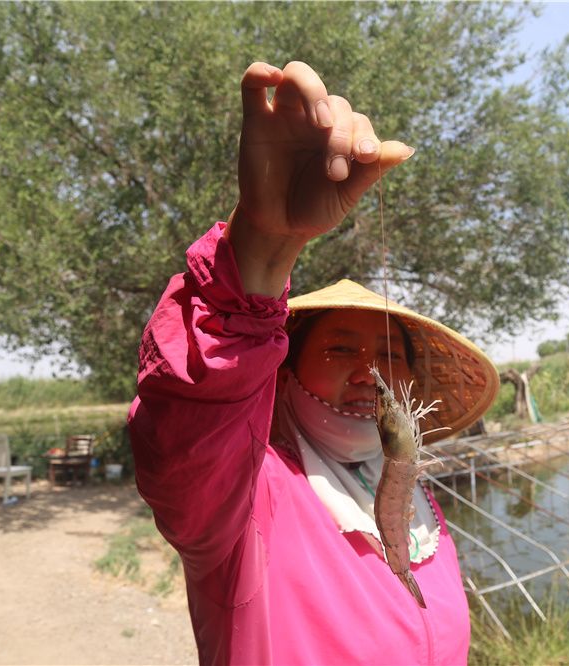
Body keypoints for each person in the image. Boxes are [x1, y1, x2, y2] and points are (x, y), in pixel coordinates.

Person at [127, 61, 499, 665]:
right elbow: (191, 419)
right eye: (340, 348)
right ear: (285, 369)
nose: (367, 372)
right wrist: (265, 245)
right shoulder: (245, 500)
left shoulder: (410, 495)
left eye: (388, 355)